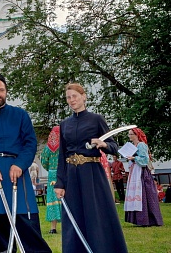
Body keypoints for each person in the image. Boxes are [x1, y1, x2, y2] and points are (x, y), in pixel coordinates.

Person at [0, 73, 51, 253]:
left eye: (1, 90)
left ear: (6, 91)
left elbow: (30, 144)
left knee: (28, 228)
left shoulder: (20, 115)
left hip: (17, 174)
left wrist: (20, 164)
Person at [54, 83, 127, 253]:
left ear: (84, 96)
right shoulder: (64, 124)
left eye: (74, 96)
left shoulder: (96, 119)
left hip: (92, 174)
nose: (71, 100)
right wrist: (60, 182)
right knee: (74, 215)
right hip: (71, 175)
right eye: (68, 97)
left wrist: (103, 144)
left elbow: (114, 146)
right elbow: (62, 155)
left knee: (96, 215)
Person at [124, 127, 163, 227]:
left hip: (141, 172)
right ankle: (139, 220)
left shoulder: (141, 145)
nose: (129, 136)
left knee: (144, 193)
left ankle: (148, 219)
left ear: (136, 135)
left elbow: (144, 160)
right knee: (135, 193)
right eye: (129, 134)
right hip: (134, 171)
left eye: (130, 134)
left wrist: (133, 158)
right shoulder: (133, 145)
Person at [40, 125, 61, 234]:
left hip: (52, 174)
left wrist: (50, 169)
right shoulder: (65, 146)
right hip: (63, 174)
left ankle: (53, 228)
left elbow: (43, 161)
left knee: (53, 199)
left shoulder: (47, 148)